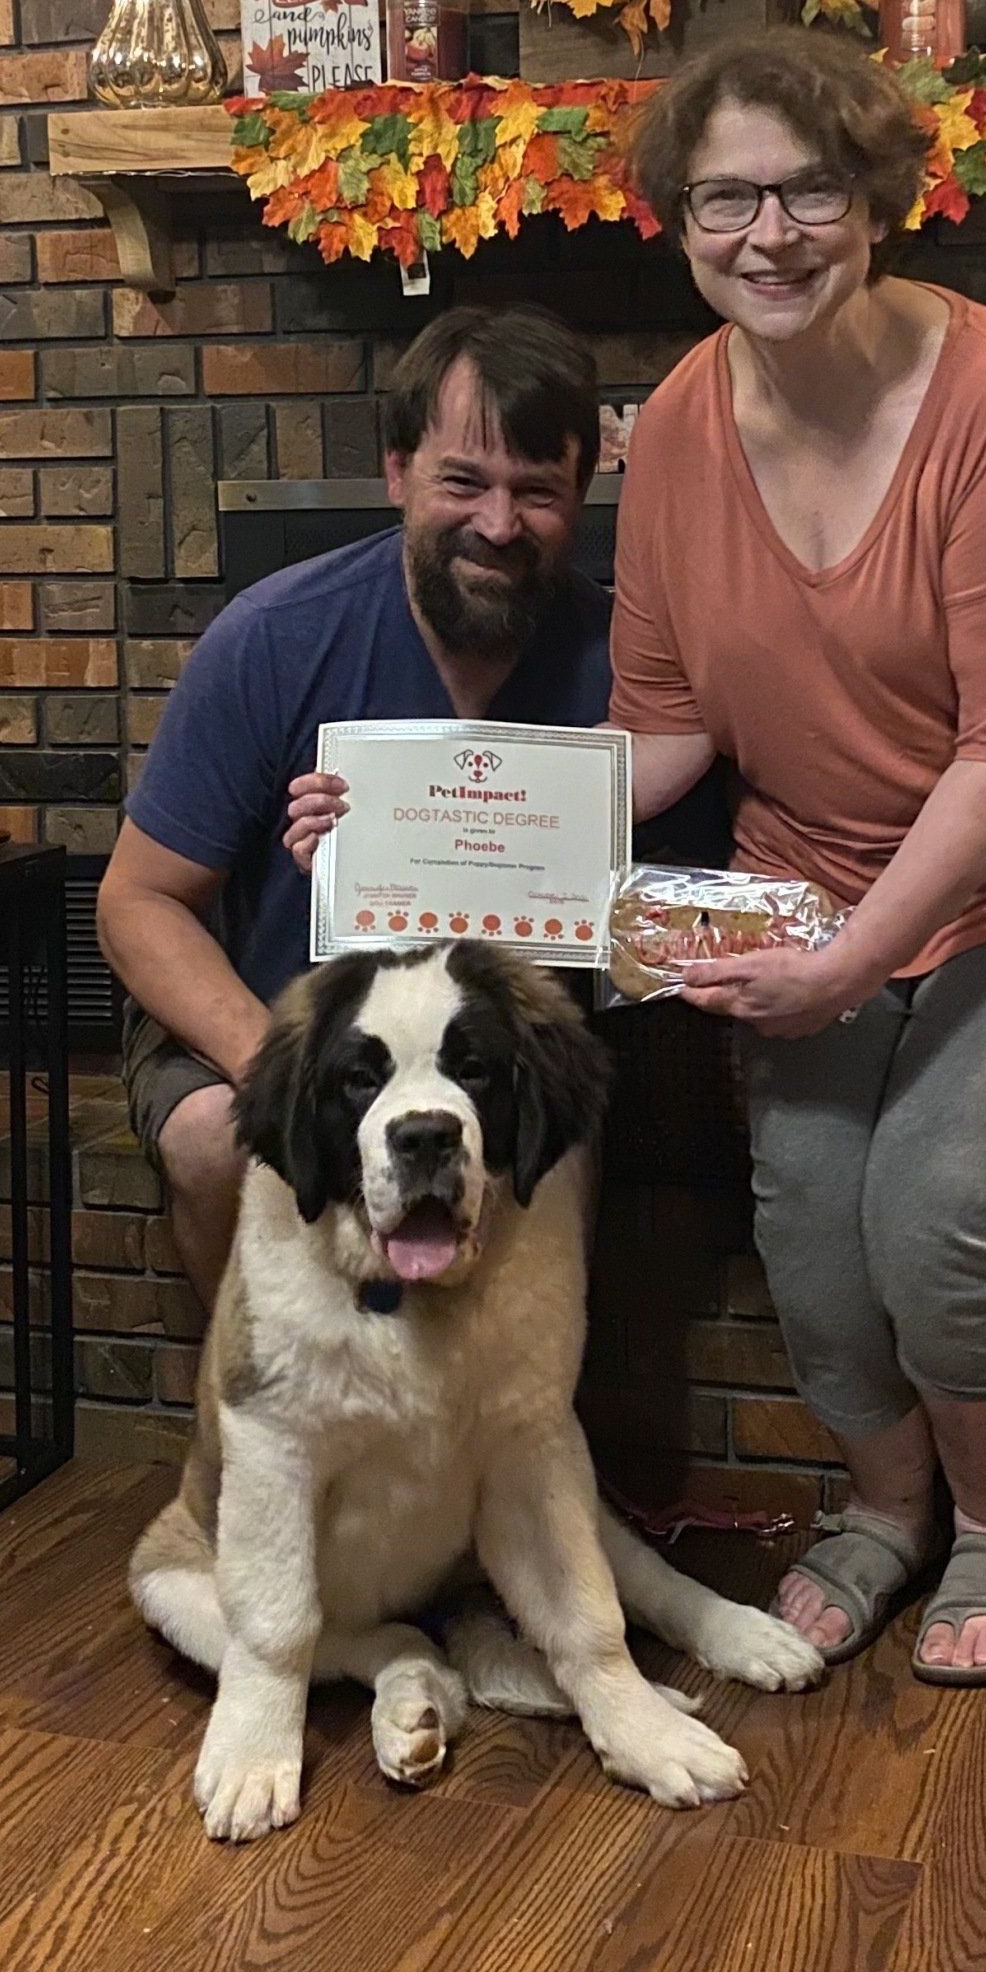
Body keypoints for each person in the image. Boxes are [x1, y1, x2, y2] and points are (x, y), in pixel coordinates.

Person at [607, 30, 986, 1688]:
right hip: (817, 854)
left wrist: (850, 960)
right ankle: (886, 1506)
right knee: (813, 1226)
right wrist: (440, 810)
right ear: (680, 215)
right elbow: (663, 727)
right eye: (725, 193)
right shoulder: (673, 425)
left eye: (811, 188)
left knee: (943, 1212)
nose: (770, 230)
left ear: (878, 200)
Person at [97, 305, 609, 1302]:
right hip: (277, 1014)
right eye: (463, 481)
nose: (497, 525)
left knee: (565, 1156)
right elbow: (135, 903)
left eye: (535, 492)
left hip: (491, 1047)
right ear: (396, 473)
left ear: (581, 494)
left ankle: (514, 1431)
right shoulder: (274, 638)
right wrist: (279, 1069)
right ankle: (264, 1412)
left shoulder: (624, 658)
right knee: (213, 1140)